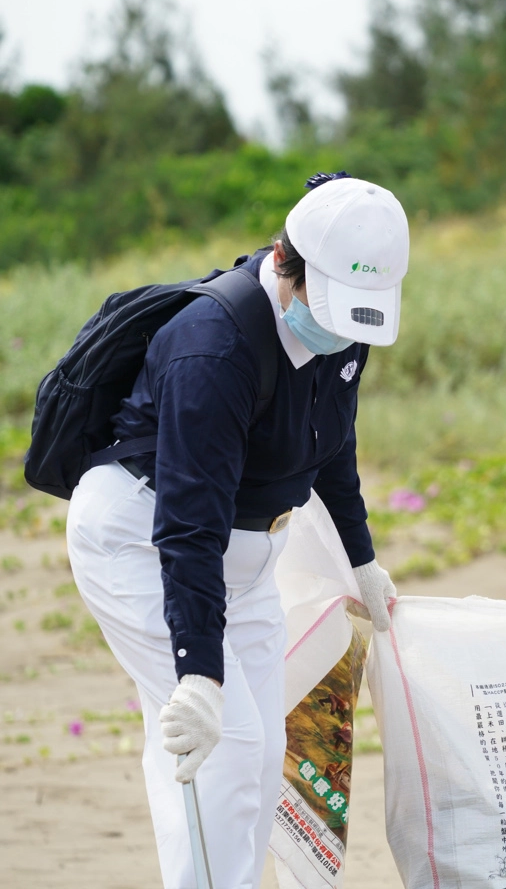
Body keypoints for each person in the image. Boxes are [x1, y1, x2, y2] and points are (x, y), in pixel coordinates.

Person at [66, 173, 408, 888]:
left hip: (249, 554)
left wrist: (363, 562)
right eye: (337, 307)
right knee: (223, 744)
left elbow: (331, 444)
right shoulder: (214, 348)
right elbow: (187, 525)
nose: (345, 330)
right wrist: (196, 668)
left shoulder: (346, 323)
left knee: (258, 750)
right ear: (288, 261)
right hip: (141, 538)